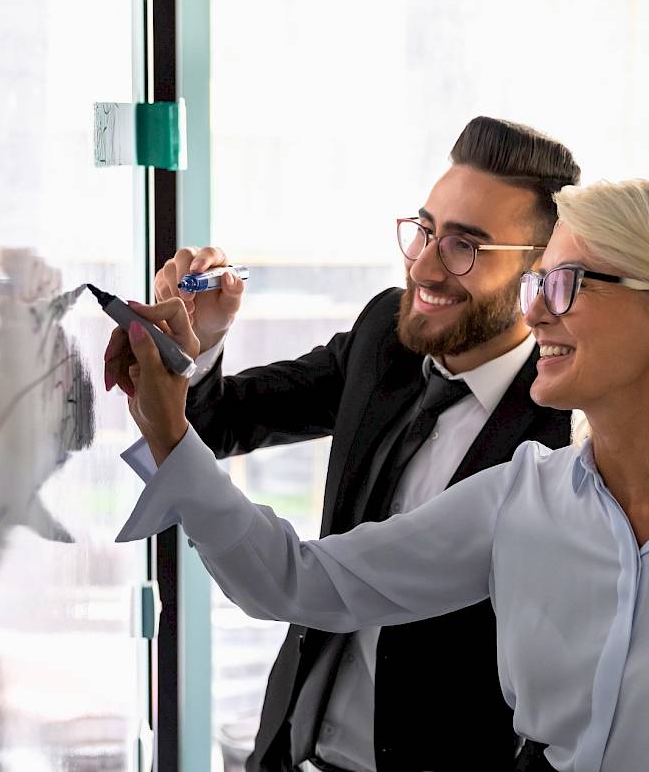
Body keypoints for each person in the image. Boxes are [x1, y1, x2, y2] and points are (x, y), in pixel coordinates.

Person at [108, 178, 649, 771]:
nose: (537, 311)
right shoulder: (521, 498)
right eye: (538, 283)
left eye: (568, 284)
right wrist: (170, 432)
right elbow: (300, 581)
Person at [107, 116, 580, 771]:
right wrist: (204, 337)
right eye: (425, 230)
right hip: (293, 753)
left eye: (464, 246)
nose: (425, 265)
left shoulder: (566, 434)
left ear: (539, 271)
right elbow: (215, 425)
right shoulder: (385, 337)